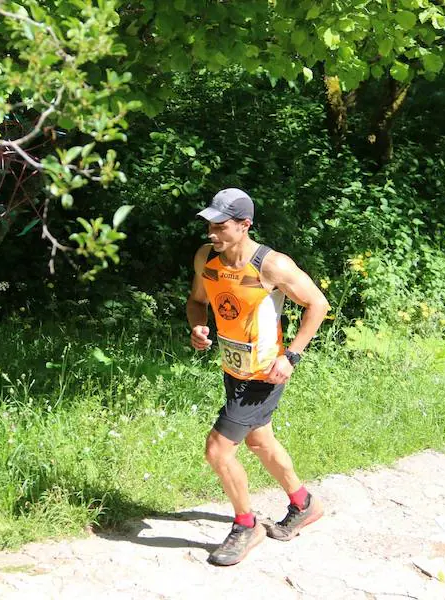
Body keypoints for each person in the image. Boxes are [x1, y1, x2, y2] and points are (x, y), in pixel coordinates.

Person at [186, 188, 330, 566]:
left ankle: (246, 525)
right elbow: (198, 301)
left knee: (218, 450)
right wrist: (198, 327)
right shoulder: (207, 259)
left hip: (265, 373)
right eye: (209, 225)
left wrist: (292, 356)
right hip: (233, 368)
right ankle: (304, 504)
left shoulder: (271, 265)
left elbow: (318, 304)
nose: (211, 233)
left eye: (220, 225)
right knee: (260, 441)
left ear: (245, 224)